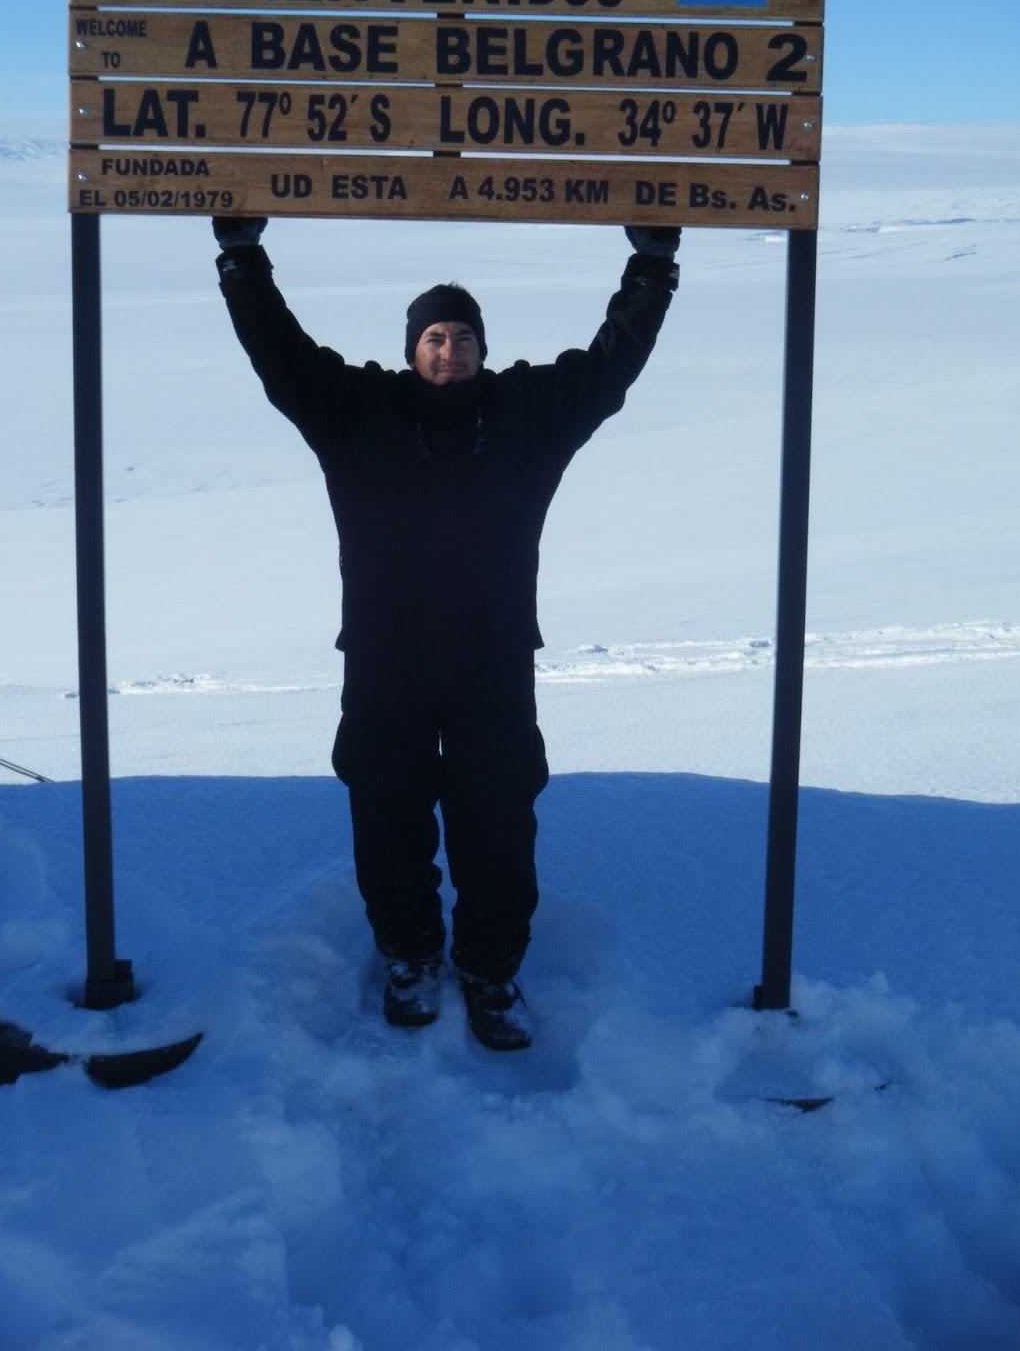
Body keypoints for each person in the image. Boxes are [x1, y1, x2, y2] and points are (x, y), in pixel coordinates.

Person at [214, 217, 681, 1049]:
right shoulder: (358, 414)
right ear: (411, 348)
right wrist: (244, 261)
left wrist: (650, 267)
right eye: (434, 335)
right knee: (386, 811)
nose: (450, 350)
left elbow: (610, 369)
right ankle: (409, 956)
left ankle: (492, 969)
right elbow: (280, 357)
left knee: (497, 818)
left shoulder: (526, 416)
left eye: (464, 336)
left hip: (491, 660)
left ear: (483, 348)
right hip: (385, 659)